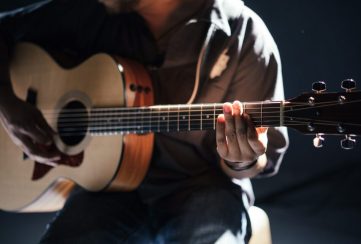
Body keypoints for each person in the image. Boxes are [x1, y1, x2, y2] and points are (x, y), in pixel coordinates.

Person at [0, 0, 288, 243]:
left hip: (203, 188)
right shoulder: (92, 12)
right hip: (107, 191)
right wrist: (8, 105)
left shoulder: (244, 34)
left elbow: (258, 161)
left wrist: (241, 158)